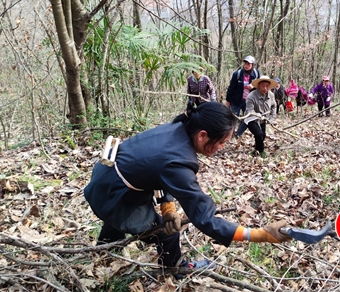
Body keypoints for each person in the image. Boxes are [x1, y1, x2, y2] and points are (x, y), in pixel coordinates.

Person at [84, 102, 291, 273]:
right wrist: (259, 235)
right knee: (167, 232)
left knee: (133, 213)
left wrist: (168, 207)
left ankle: (105, 247)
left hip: (105, 178)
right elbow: (204, 218)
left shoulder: (177, 129)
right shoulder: (179, 162)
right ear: (202, 135)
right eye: (222, 142)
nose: (222, 147)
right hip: (113, 193)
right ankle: (174, 268)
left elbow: (157, 171)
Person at [226, 56, 261, 137]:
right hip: (236, 100)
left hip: (249, 101)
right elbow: (231, 88)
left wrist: (253, 86)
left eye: (248, 64)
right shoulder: (237, 74)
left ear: (252, 65)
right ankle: (230, 134)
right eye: (245, 63)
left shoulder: (256, 74)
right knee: (234, 118)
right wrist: (228, 100)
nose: (246, 65)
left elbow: (260, 86)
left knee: (247, 118)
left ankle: (238, 134)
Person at [244, 76, 277, 158]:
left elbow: (274, 106)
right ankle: (262, 151)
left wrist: (271, 118)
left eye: (267, 86)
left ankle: (256, 150)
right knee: (259, 134)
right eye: (263, 86)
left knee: (263, 136)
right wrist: (257, 115)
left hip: (263, 119)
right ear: (258, 86)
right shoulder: (251, 96)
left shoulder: (271, 95)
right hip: (251, 119)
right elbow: (249, 110)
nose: (265, 88)